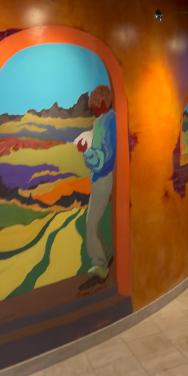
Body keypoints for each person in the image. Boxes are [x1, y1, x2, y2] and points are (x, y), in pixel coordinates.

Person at [75, 85, 117, 281]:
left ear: (101, 101)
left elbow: (103, 159)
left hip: (103, 177)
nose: (91, 107)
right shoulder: (105, 121)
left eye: (94, 103)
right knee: (94, 221)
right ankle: (106, 253)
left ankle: (100, 266)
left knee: (90, 223)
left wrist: (86, 151)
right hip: (101, 177)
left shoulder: (106, 123)